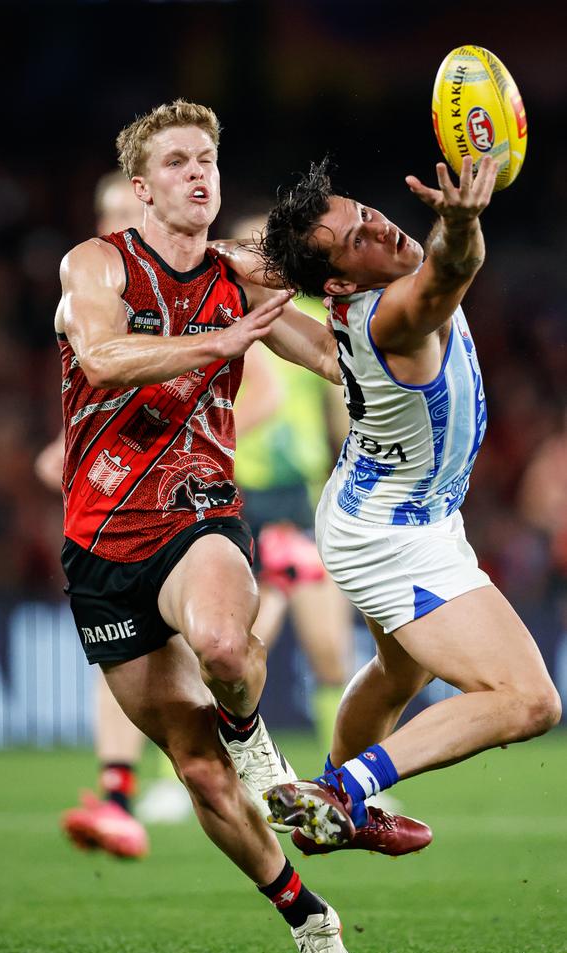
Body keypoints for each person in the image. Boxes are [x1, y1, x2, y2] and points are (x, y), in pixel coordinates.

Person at [56, 99, 361, 953]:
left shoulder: (240, 273)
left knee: (228, 644)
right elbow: (104, 359)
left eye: (209, 161)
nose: (199, 174)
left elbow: (324, 353)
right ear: (143, 188)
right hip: (102, 539)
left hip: (200, 507)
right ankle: (307, 914)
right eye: (180, 162)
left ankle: (250, 727)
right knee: (197, 772)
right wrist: (220, 340)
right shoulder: (95, 265)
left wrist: (400, 359)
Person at [255, 155, 562, 853]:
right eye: (358, 237)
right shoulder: (395, 315)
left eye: (366, 211)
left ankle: (339, 806)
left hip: (377, 512)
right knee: (530, 700)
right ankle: (341, 792)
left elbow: (321, 348)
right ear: (338, 280)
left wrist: (225, 265)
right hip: (397, 535)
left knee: (399, 671)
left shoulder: (351, 304)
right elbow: (451, 274)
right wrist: (460, 224)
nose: (382, 228)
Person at [36, 172, 192, 864]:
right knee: (123, 655)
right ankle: (125, 794)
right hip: (114, 507)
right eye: (109, 213)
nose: (119, 223)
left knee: (201, 647)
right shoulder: (90, 293)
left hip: (187, 496)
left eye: (130, 209)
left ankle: (195, 778)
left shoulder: (189, 282)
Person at [232, 213, 354, 754]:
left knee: (329, 647)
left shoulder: (312, 322)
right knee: (234, 651)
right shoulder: (218, 324)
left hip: (303, 500)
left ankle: (348, 775)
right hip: (236, 500)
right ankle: (186, 781)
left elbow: (345, 415)